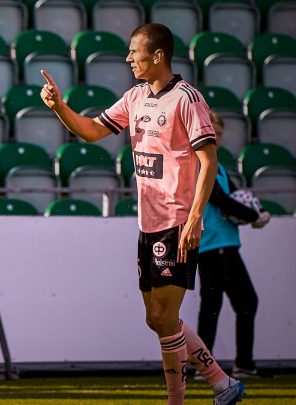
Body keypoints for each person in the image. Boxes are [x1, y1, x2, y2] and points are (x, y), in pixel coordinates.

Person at [40, 23, 245, 405]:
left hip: (177, 221)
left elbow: (208, 159)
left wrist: (196, 217)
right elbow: (91, 131)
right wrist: (59, 107)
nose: (129, 58)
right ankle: (222, 382)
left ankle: (176, 400)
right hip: (147, 223)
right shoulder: (135, 97)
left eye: (135, 51)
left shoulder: (187, 99)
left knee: (165, 316)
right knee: (157, 318)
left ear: (158, 55)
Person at [197, 110, 271, 379]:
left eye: (218, 133)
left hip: (224, 243)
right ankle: (207, 366)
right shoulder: (202, 162)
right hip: (212, 244)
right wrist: (253, 215)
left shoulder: (216, 163)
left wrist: (244, 214)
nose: (215, 137)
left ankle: (241, 364)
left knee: (243, 302)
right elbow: (218, 199)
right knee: (215, 305)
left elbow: (224, 201)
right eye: (211, 131)